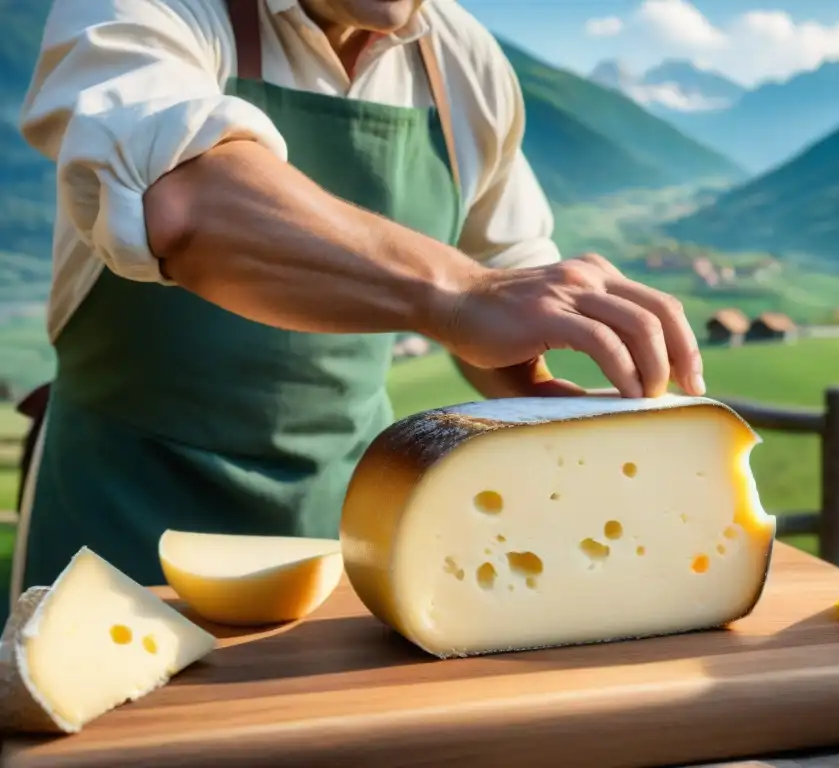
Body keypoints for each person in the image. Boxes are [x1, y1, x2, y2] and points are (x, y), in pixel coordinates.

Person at [11, 0, 706, 604]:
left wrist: (552, 398)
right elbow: (184, 201)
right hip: (116, 513)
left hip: (353, 527)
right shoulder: (148, 8)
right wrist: (462, 294)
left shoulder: (463, 61)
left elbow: (509, 290)